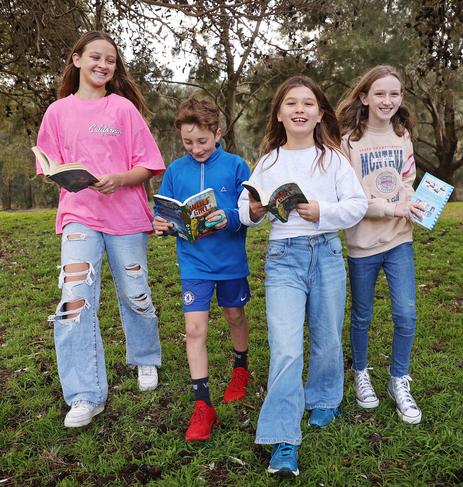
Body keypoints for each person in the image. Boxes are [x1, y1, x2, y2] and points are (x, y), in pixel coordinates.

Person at [238, 75, 367, 477]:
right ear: (279, 114)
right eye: (290, 103)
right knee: (287, 347)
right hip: (284, 258)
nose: (299, 109)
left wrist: (321, 211)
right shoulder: (270, 161)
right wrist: (256, 211)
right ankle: (283, 439)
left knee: (327, 333)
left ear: (320, 113)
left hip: (326, 251)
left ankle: (325, 397)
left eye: (307, 103)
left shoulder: (331, 158)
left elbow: (357, 205)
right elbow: (247, 209)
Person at [35, 31, 165, 427]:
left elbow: (149, 164)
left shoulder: (122, 109)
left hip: (126, 218)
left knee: (136, 292)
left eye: (110, 60)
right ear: (76, 60)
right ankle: (84, 395)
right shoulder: (57, 112)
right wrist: (62, 176)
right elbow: (48, 164)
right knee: (74, 300)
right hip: (79, 217)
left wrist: (121, 179)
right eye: (95, 57)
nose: (103, 65)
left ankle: (144, 358)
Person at [153, 96, 252, 441]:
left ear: (218, 132)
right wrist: (161, 224)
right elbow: (164, 212)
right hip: (193, 264)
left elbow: (251, 213)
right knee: (195, 330)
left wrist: (231, 218)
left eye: (203, 141)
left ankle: (241, 368)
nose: (196, 148)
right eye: (187, 142)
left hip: (230, 262)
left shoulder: (237, 166)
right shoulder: (175, 171)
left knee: (235, 315)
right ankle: (202, 404)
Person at [337, 65, 425, 425]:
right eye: (379, 93)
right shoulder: (348, 143)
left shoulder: (402, 136)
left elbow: (408, 181)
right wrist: (392, 207)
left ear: (401, 98)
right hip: (362, 245)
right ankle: (360, 372)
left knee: (406, 313)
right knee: (362, 315)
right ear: (364, 97)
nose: (387, 100)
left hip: (399, 239)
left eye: (394, 94)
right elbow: (353, 199)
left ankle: (398, 379)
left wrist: (413, 203)